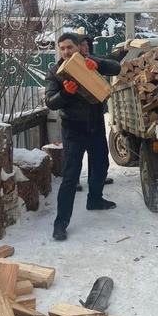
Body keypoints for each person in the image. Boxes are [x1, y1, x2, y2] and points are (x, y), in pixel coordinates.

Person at [44, 33, 121, 241]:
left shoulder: (89, 61)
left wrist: (98, 65)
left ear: (79, 47)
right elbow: (50, 102)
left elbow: (116, 67)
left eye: (69, 47)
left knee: (101, 166)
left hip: (95, 127)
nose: (66, 52)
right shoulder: (55, 73)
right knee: (70, 176)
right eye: (62, 48)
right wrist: (65, 94)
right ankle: (60, 223)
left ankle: (95, 199)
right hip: (73, 130)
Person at [75, 34, 116, 190]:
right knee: (76, 153)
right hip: (76, 117)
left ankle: (96, 178)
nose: (86, 47)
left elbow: (111, 61)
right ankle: (75, 180)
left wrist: (124, 50)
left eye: (87, 44)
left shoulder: (93, 60)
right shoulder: (71, 64)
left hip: (95, 113)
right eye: (83, 45)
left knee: (98, 151)